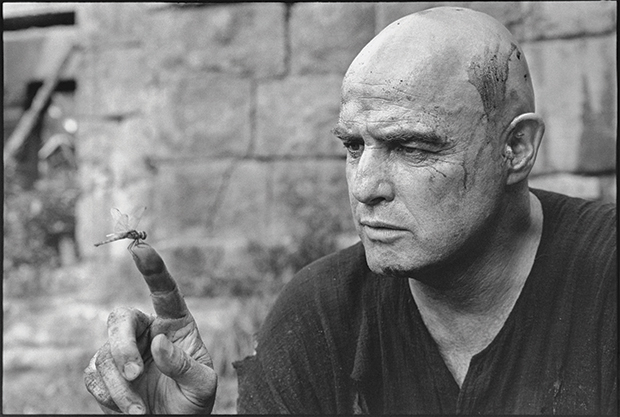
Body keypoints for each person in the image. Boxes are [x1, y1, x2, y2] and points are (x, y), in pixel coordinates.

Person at [83, 7, 617, 414]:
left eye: (412, 147)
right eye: (354, 146)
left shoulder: (605, 282)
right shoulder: (320, 314)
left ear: (516, 149)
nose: (365, 188)